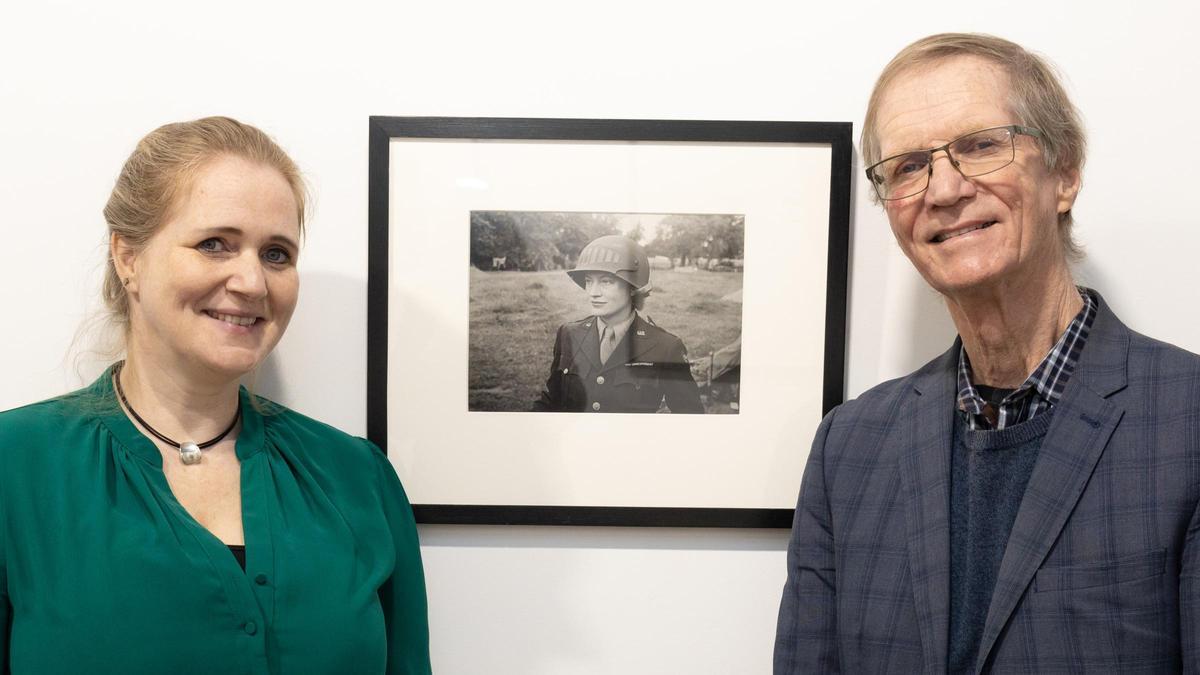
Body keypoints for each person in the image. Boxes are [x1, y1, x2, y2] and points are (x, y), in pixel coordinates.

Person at [774, 33, 1200, 673]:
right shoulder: (849, 448)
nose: (943, 190)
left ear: (1065, 172)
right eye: (910, 166)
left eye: (980, 145)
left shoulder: (1188, 420)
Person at [0, 117, 431, 673]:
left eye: (276, 254)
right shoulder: (16, 469)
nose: (252, 282)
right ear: (128, 257)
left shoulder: (356, 479)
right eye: (214, 244)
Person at [533, 234, 704, 413]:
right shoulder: (568, 333)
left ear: (632, 288)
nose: (593, 292)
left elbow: (690, 418)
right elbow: (552, 400)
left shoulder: (665, 347)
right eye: (589, 281)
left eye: (606, 282)